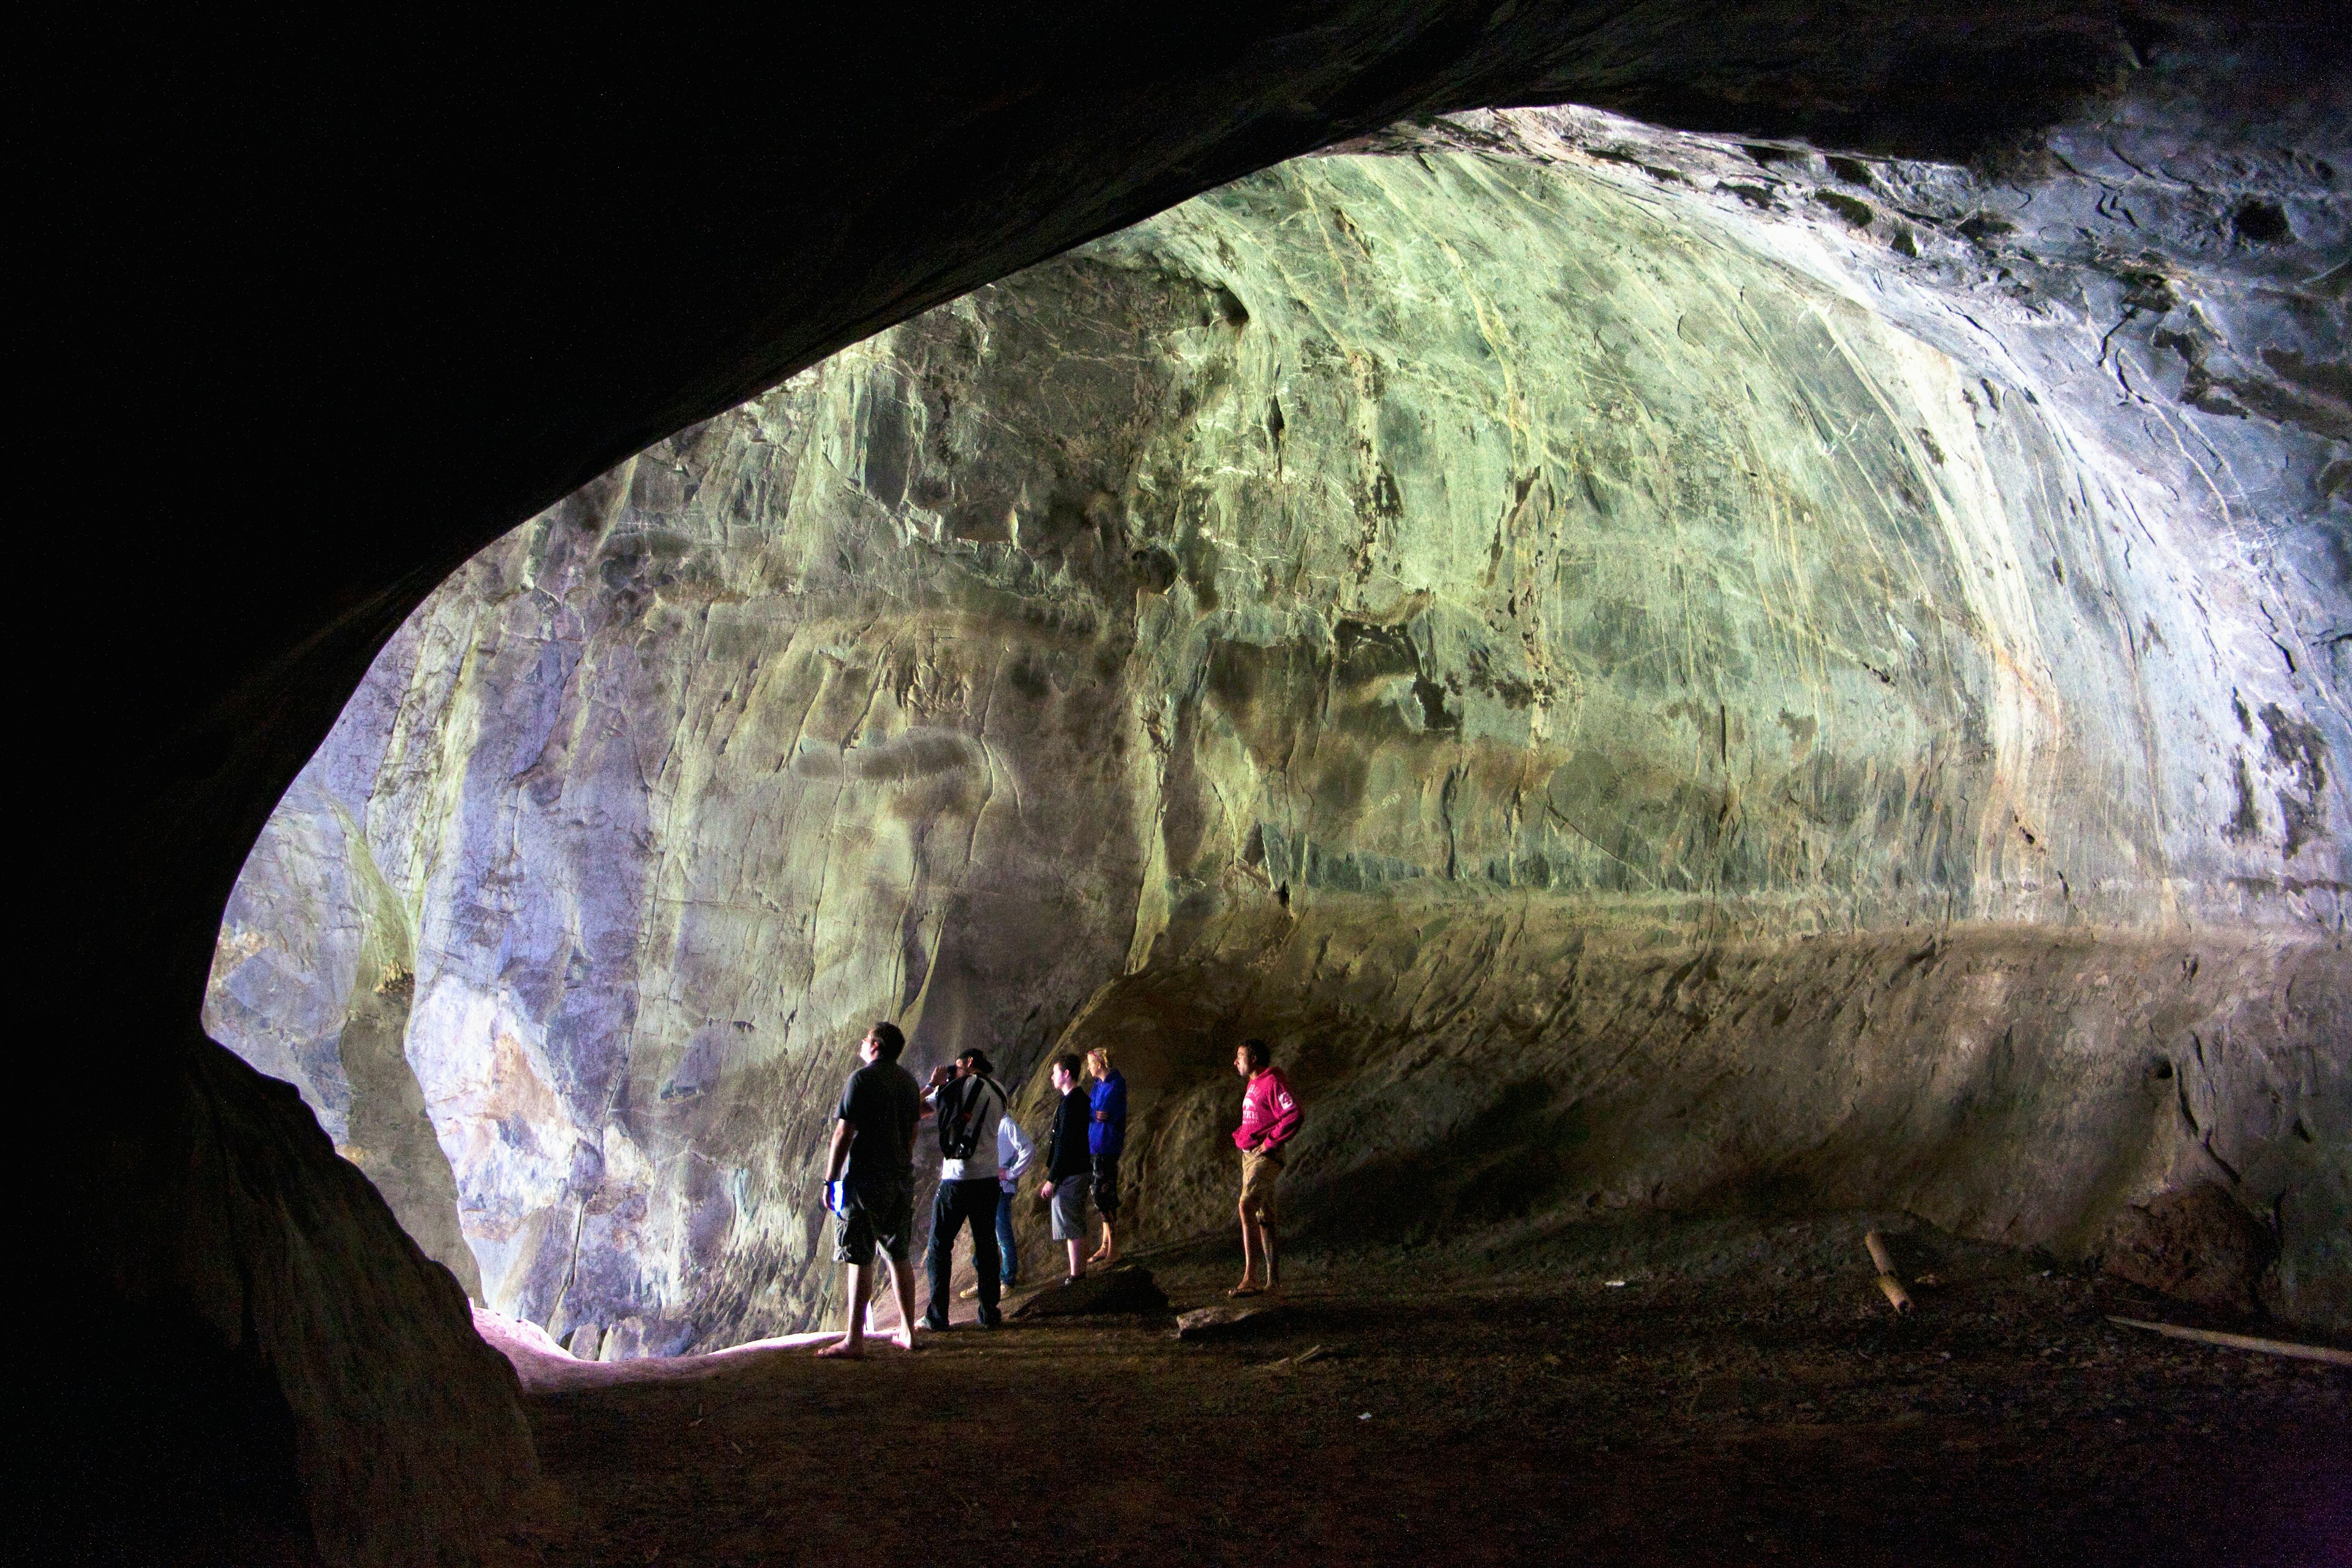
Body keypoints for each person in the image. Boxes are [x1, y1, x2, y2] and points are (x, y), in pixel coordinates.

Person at [816, 1021, 923, 1359]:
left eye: (865, 1040)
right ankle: (908, 1330)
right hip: (899, 1179)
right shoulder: (908, 1082)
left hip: (865, 1181)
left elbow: (843, 1134)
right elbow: (913, 1131)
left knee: (859, 1256)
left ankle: (854, 1340)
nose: (861, 1044)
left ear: (875, 1046)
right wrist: (902, 1162)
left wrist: (831, 1181)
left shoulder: (861, 1080)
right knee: (898, 1254)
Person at [921, 1049, 1011, 1331]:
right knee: (986, 1244)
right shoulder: (1000, 1091)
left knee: (939, 1245)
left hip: (957, 1179)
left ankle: (937, 1316)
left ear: (970, 1063)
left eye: (958, 1066)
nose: (954, 1071)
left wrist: (934, 1084)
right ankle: (989, 1312)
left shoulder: (958, 1088)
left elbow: (917, 1109)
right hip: (988, 1179)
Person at [1229, 1037, 1300, 1298]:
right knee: (1264, 1217)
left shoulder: (1272, 1081)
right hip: (1250, 1157)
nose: (1236, 1061)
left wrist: (1269, 1143)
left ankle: (1250, 1277)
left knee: (1246, 1204)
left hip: (1265, 1157)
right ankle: (1274, 1283)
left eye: (1240, 1055)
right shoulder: (1254, 1083)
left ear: (1254, 1058)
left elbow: (1293, 1113)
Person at [964, 1082, 1036, 1299]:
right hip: (983, 1186)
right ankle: (987, 1280)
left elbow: (1028, 1148)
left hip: (999, 1189)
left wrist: (1011, 1173)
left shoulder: (1006, 1124)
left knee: (1002, 1234)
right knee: (983, 1236)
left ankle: (1007, 1280)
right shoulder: (987, 1125)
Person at [1037, 1054, 1094, 1283]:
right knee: (1075, 1222)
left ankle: (1077, 1275)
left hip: (1071, 1174)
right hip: (1078, 1170)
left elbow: (1064, 1145)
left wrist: (1052, 1179)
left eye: (1055, 1072)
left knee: (1071, 1225)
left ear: (1066, 1074)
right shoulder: (1080, 1100)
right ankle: (1078, 1273)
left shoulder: (1070, 1104)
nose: (1052, 1077)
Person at [1085, 1047, 1128, 1265]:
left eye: (1091, 1064)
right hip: (1096, 1145)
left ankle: (1114, 1247)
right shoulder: (1098, 1085)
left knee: (1104, 1196)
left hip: (1107, 1146)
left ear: (1099, 1064)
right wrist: (1093, 1114)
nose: (1088, 1068)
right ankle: (1106, 1244)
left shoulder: (1115, 1083)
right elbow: (1093, 1111)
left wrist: (1093, 1113)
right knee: (1100, 1194)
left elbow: (1102, 1109)